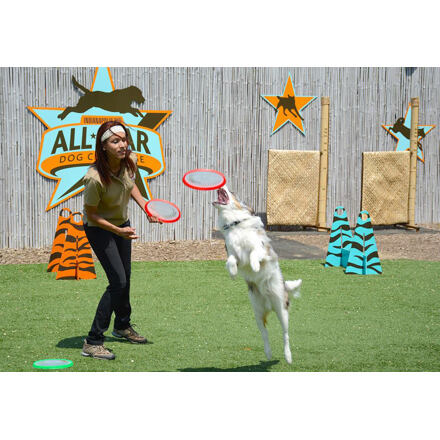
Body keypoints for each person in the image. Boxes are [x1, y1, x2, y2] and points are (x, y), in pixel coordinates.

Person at [81, 120, 161, 360]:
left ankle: (122, 326)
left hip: (121, 225)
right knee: (117, 281)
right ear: (103, 146)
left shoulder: (129, 160)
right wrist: (118, 231)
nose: (122, 145)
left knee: (125, 277)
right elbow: (92, 215)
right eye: (115, 141)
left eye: (124, 139)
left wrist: (146, 206)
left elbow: (131, 184)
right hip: (99, 228)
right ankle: (93, 341)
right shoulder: (94, 178)